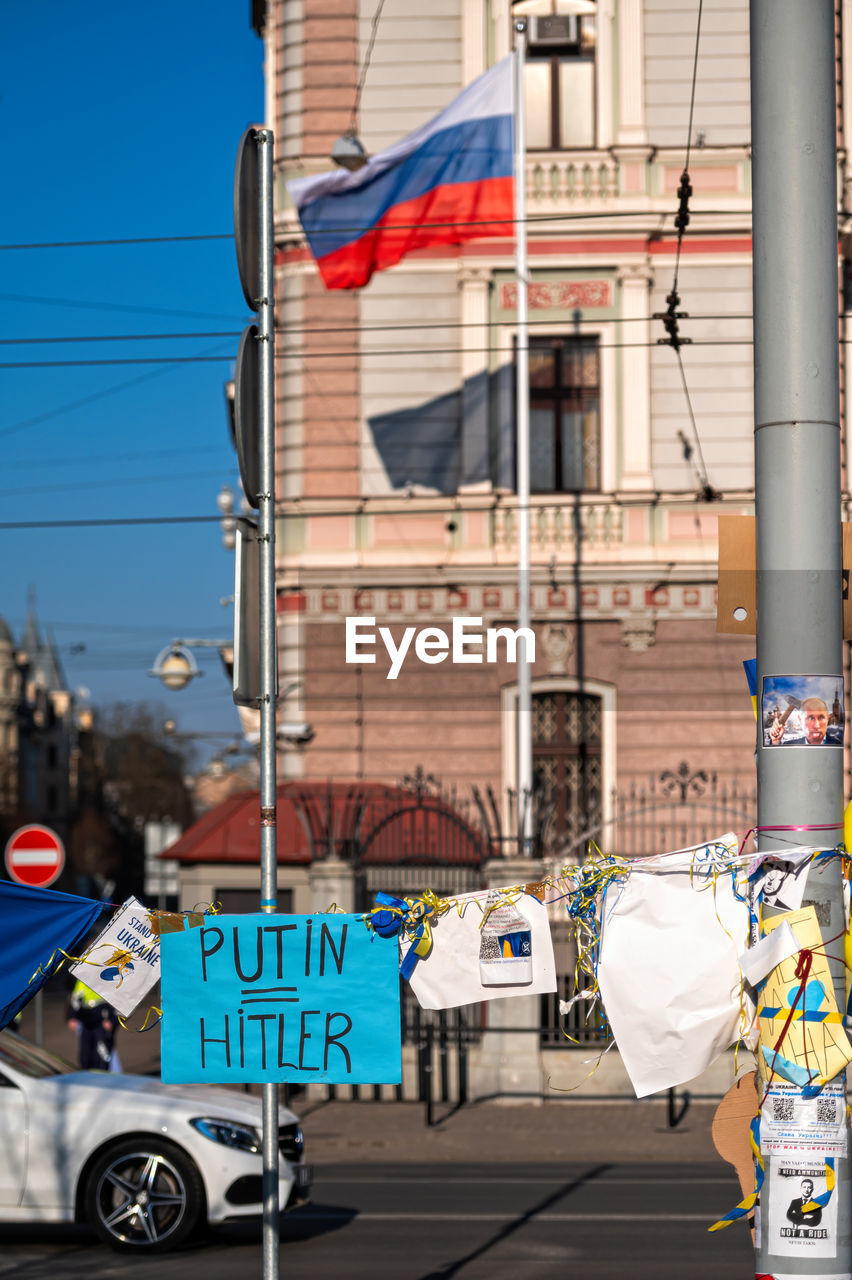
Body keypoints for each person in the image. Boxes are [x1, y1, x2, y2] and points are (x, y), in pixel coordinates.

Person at [66, 979, 117, 1071]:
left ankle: (103, 1077)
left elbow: (116, 1001)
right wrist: (72, 1017)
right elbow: (75, 999)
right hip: (86, 1022)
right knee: (85, 1055)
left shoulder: (107, 978)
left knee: (102, 1054)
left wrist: (112, 1020)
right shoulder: (82, 979)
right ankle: (86, 1076)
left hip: (102, 1023)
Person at [769, 697, 843, 746]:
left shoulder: (841, 745)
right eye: (810, 718)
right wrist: (775, 742)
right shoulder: (788, 745)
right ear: (800, 720)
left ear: (827, 718)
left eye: (821, 718)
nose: (816, 726)